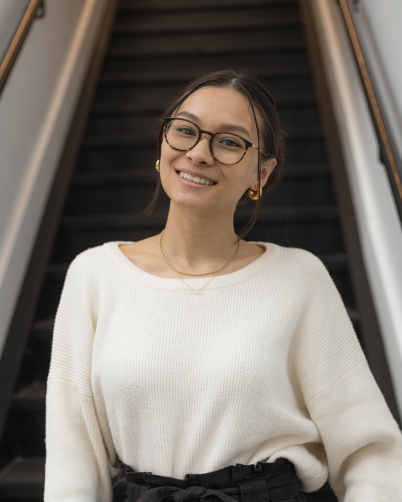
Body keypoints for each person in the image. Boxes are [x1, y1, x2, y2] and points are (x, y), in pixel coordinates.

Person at [44, 70, 402, 502]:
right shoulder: (95, 274)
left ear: (263, 172)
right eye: (185, 130)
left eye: (229, 142)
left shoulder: (298, 278)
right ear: (163, 142)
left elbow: (372, 452)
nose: (198, 153)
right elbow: (72, 463)